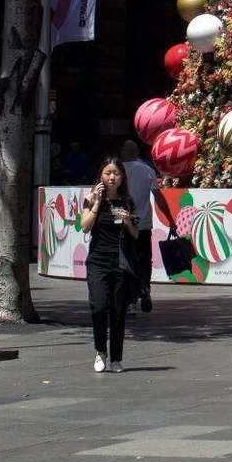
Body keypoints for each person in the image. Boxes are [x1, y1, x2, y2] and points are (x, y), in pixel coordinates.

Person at [78, 156, 140, 373]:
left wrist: (127, 221)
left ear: (122, 177)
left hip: (121, 261)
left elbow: (135, 234)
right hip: (98, 260)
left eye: (116, 174)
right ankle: (100, 351)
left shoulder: (128, 202)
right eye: (108, 173)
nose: (112, 177)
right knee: (99, 307)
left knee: (117, 312)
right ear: (101, 176)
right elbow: (84, 227)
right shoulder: (91, 198)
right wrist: (96, 204)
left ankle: (116, 358)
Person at [120, 140, 158, 314]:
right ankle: (146, 291)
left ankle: (130, 302)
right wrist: (171, 219)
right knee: (144, 261)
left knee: (127, 262)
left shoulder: (116, 170)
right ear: (137, 153)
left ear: (122, 153)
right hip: (143, 224)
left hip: (123, 225)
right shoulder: (147, 170)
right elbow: (159, 196)